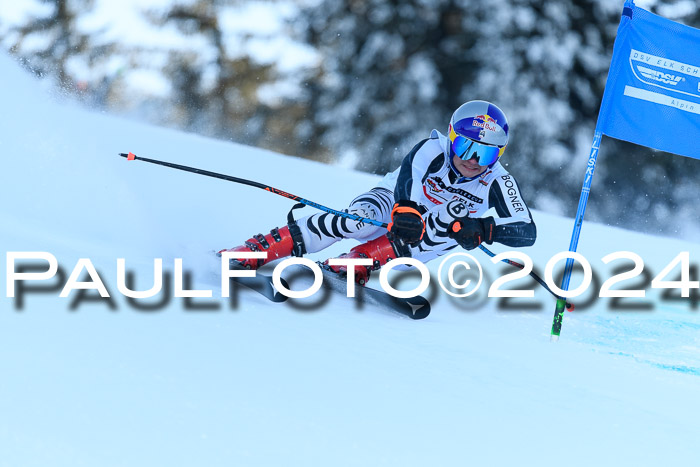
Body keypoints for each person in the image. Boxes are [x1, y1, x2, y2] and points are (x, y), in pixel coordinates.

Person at [219, 100, 536, 284]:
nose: (471, 159)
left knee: (439, 229)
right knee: (360, 221)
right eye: (465, 145)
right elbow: (407, 183)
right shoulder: (432, 150)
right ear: (452, 138)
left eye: (486, 154)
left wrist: (484, 228)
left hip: (429, 235)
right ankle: (262, 248)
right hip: (393, 202)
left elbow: (527, 231)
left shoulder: (498, 181)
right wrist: (407, 210)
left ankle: (359, 260)